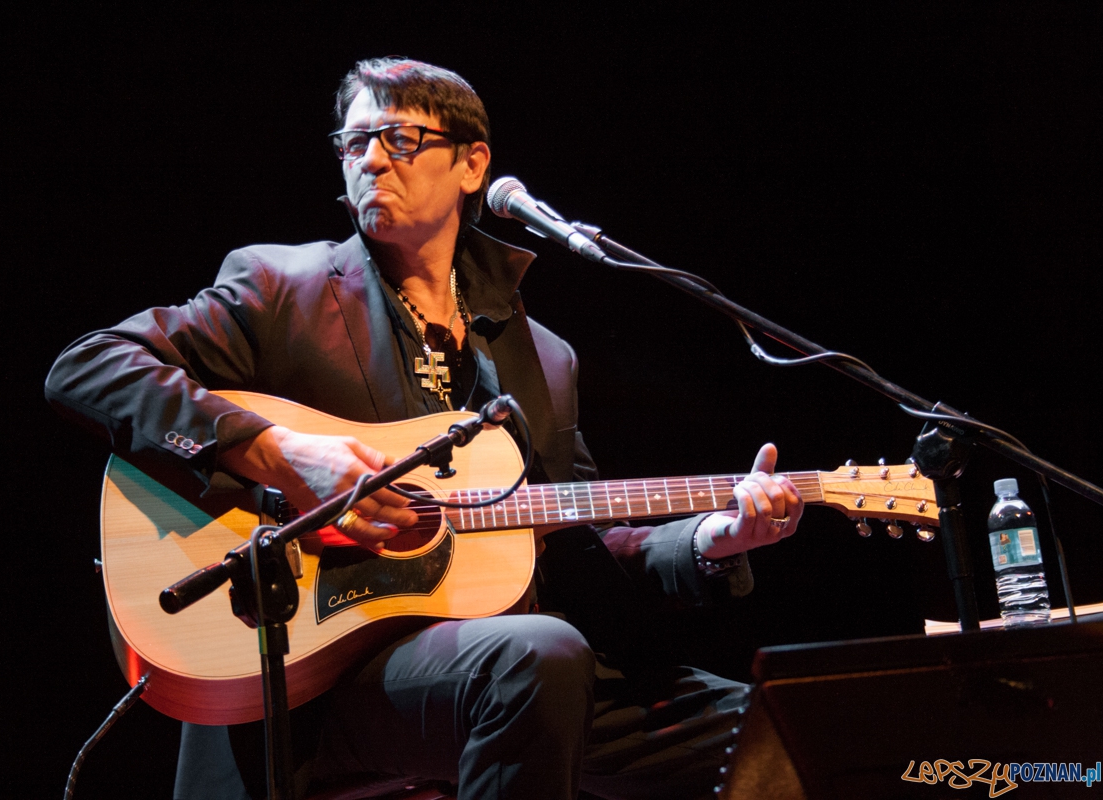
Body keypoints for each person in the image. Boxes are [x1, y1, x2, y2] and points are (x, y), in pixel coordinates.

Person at [46, 57, 803, 800]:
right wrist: (279, 454)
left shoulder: (541, 358)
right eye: (354, 142)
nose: (372, 159)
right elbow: (88, 366)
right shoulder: (283, 289)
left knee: (788, 726)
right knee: (538, 655)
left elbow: (579, 538)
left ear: (473, 165)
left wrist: (710, 540)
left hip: (494, 666)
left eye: (400, 139)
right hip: (319, 678)